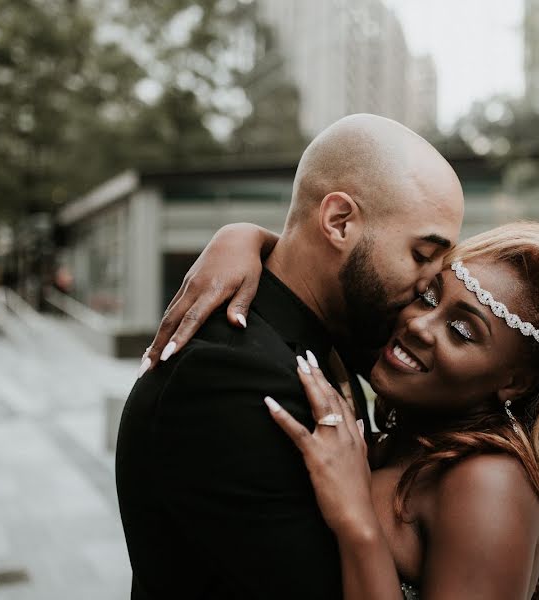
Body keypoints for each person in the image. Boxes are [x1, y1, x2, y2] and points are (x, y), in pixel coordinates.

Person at [144, 223, 539, 600]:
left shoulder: (489, 483)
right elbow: (318, 260)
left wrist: (355, 520)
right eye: (430, 295)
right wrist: (240, 238)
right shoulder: (408, 417)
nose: (419, 324)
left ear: (513, 382)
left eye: (462, 330)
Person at [115, 113, 464, 600]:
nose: (430, 283)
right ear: (339, 222)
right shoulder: (230, 378)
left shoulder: (338, 329)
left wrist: (248, 235)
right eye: (423, 254)